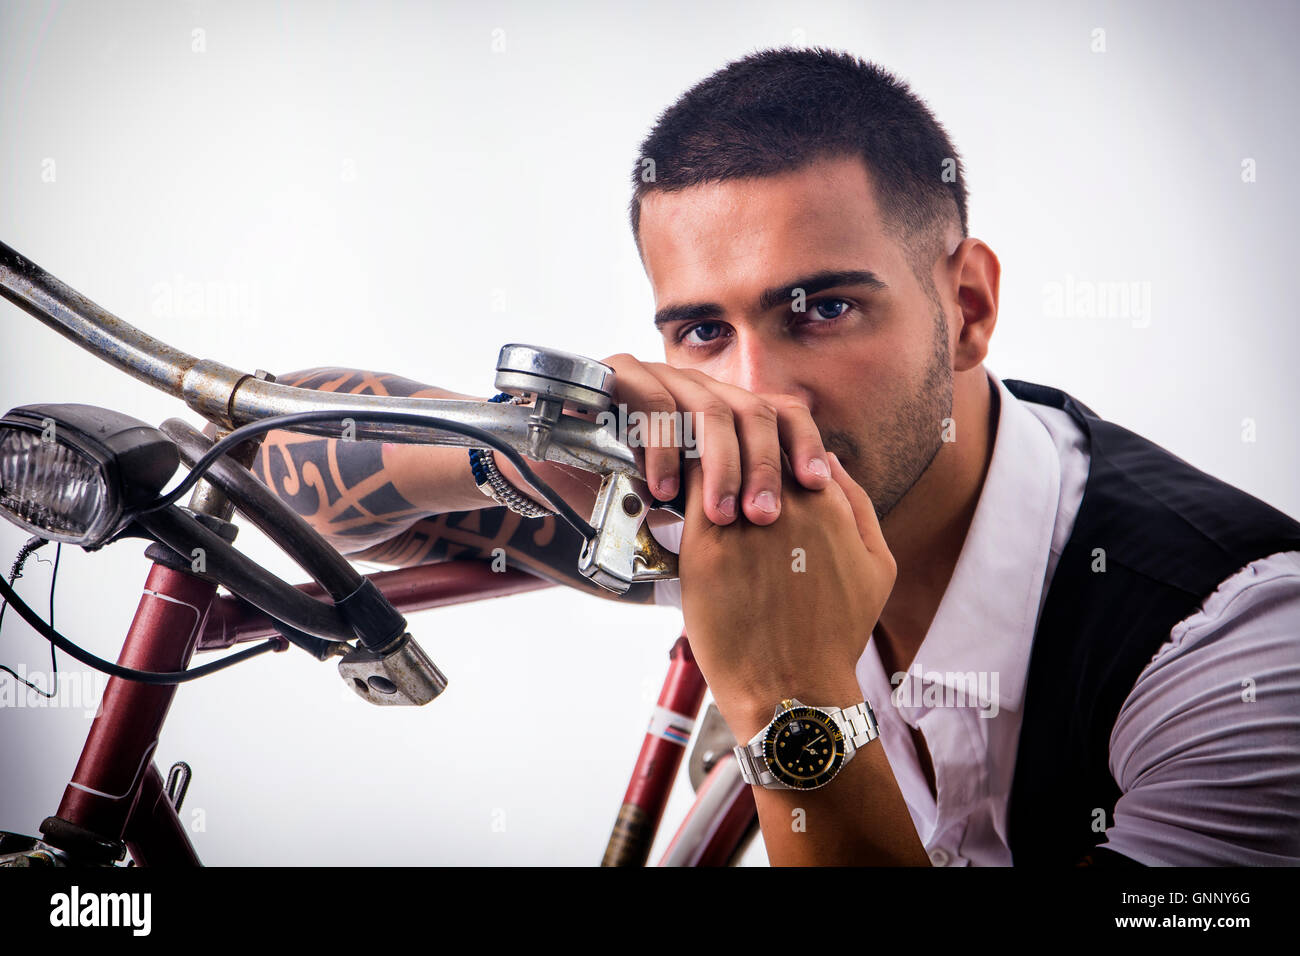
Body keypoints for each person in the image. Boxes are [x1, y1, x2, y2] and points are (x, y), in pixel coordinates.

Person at [249, 48, 1300, 866]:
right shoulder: (705, 488)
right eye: (703, 331)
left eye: (824, 309)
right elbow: (266, 463)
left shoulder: (1241, 648)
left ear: (968, 306)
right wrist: (531, 453)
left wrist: (787, 693)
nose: (757, 396)